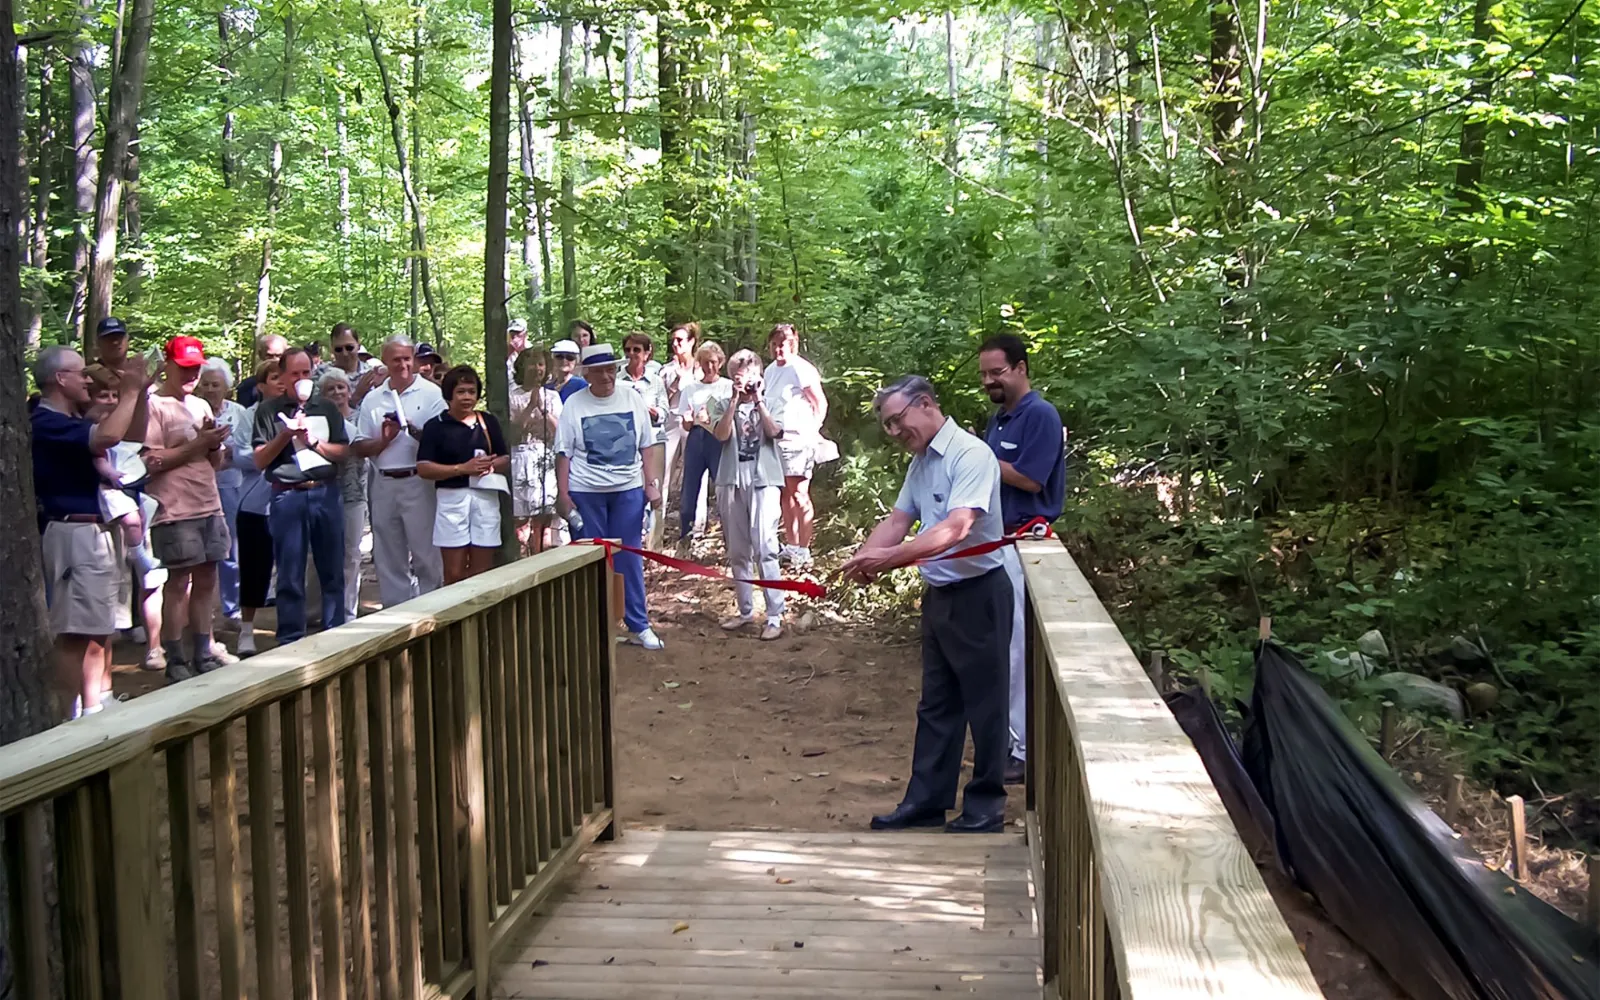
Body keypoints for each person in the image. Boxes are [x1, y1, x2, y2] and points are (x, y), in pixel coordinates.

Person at [843, 375, 1011, 834]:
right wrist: (863, 559)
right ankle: (927, 800)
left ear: (926, 404)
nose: (896, 433)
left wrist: (891, 559)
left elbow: (957, 528)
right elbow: (899, 519)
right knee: (937, 704)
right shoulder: (921, 463)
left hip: (979, 594)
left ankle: (986, 805)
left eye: (899, 421)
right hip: (941, 596)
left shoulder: (971, 455)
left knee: (986, 704)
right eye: (889, 427)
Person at [32, 346, 148, 719]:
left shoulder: (74, 418)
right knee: (74, 633)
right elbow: (106, 440)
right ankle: (68, 720)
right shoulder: (46, 422)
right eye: (80, 373)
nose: (87, 379)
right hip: (72, 534)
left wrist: (140, 391)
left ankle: (97, 705)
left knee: (98, 626)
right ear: (60, 379)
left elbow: (131, 432)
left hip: (95, 533)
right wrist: (128, 391)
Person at [979, 334, 1067, 783]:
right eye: (984, 374)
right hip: (998, 545)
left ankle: (1024, 750)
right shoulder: (1000, 420)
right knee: (1004, 647)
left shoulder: (1041, 417)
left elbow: (1032, 480)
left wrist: (979, 460)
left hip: (1028, 547)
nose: (989, 381)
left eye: (996, 372)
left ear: (1020, 368)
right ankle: (1013, 741)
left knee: (1017, 649)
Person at [554, 344, 665, 649]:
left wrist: (650, 483)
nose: (606, 376)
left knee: (629, 555)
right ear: (586, 373)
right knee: (590, 560)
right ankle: (592, 626)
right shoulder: (575, 404)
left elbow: (646, 443)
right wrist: (563, 494)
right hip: (586, 491)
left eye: (610, 369)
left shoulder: (631, 397)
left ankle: (638, 623)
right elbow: (563, 452)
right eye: (598, 371)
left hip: (627, 489)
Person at [143, 337, 234, 679]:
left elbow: (214, 463)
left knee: (208, 578)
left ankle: (203, 650)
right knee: (179, 580)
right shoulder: (153, 405)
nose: (191, 374)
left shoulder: (201, 406)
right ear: (168, 365)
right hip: (174, 506)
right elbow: (150, 460)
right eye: (184, 367)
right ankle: (175, 656)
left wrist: (213, 444)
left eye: (195, 368)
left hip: (208, 503)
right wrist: (198, 444)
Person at [253, 347, 349, 643]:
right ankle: (291, 637)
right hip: (288, 496)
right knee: (290, 570)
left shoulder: (327, 408)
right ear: (282, 376)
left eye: (306, 372)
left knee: (332, 567)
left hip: (324, 493)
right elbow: (259, 459)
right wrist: (286, 434)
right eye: (294, 373)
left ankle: (335, 631)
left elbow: (343, 452)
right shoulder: (268, 410)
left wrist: (313, 442)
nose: (301, 379)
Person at [353, 335, 448, 608]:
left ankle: (434, 610)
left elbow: (442, 442)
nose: (403, 365)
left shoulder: (432, 394)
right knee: (388, 554)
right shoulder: (373, 399)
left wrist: (414, 430)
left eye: (407, 358)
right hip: (383, 482)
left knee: (426, 552)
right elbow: (359, 446)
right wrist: (384, 439)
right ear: (385, 361)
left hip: (419, 481)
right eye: (396, 359)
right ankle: (396, 615)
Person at [709, 349, 786, 640]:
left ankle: (775, 615)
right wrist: (733, 401)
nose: (746, 381)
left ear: (760, 376)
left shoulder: (772, 400)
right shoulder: (719, 401)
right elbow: (721, 435)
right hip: (731, 480)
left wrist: (759, 401)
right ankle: (745, 611)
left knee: (765, 545)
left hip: (764, 481)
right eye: (740, 376)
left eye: (751, 375)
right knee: (739, 549)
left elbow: (775, 431)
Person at [419, 366, 511, 584]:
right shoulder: (435, 426)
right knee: (454, 573)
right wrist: (462, 468)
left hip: (485, 497)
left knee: (482, 573)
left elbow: (505, 458)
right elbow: (423, 468)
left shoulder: (488, 422)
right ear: (449, 394)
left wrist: (490, 465)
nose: (467, 397)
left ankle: (482, 617)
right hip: (451, 499)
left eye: (471, 391)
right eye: (461, 391)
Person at [763, 324, 827, 567]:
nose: (779, 349)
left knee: (800, 494)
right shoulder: (769, 371)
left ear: (793, 344)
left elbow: (819, 402)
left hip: (798, 441)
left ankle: (804, 548)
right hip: (775, 441)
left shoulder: (802, 369)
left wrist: (812, 431)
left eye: (783, 344)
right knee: (784, 495)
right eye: (775, 344)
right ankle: (791, 544)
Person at [198, 359, 251, 630]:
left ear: (226, 387)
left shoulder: (238, 412)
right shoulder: (193, 410)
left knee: (231, 546)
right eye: (205, 383)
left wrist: (228, 453)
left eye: (215, 384)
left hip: (231, 484)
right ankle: (198, 614)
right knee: (199, 549)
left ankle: (231, 610)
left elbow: (246, 446)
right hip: (197, 486)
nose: (209, 389)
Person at [233, 359, 281, 655]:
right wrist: (271, 452)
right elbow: (239, 456)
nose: (281, 383)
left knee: (291, 566)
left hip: (291, 500)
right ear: (261, 386)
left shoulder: (300, 413)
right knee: (254, 568)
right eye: (274, 378)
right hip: (254, 503)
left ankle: (289, 626)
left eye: (284, 377)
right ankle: (246, 631)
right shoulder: (248, 417)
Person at [319, 368, 369, 620]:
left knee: (352, 554)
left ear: (349, 391)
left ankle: (348, 611)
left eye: (341, 387)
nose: (337, 393)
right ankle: (323, 610)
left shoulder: (360, 418)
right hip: (323, 493)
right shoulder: (316, 418)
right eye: (331, 389)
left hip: (354, 493)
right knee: (324, 554)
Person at [676, 342, 730, 545]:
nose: (709, 366)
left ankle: (730, 539)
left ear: (721, 363)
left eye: (713, 362)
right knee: (690, 486)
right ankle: (686, 536)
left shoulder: (727, 386)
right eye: (705, 362)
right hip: (697, 438)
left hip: (719, 439)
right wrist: (690, 418)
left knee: (723, 487)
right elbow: (686, 424)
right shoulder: (691, 388)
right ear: (698, 363)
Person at [510, 348, 562, 554]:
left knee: (544, 519)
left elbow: (559, 432)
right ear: (522, 367)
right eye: (532, 364)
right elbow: (512, 434)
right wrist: (530, 406)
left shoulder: (552, 396)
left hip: (544, 460)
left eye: (540, 364)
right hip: (519, 459)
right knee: (520, 522)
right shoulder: (512, 396)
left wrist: (543, 409)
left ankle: (541, 560)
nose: (537, 369)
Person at [659, 322, 701, 526]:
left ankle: (696, 525)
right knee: (662, 473)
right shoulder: (666, 370)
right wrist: (675, 380)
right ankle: (656, 525)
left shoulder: (701, 367)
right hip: (671, 422)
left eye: (680, 340)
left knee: (695, 473)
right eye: (673, 340)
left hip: (695, 424)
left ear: (692, 341)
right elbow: (660, 400)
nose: (676, 344)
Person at [237, 333, 288, 407]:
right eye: (269, 356)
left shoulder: (294, 382)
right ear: (261, 354)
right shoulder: (247, 387)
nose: (274, 360)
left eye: (279, 356)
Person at [506, 318, 530, 383]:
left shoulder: (532, 351)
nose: (515, 336)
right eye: (512, 333)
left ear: (525, 333)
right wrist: (508, 352)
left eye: (518, 332)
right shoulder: (506, 351)